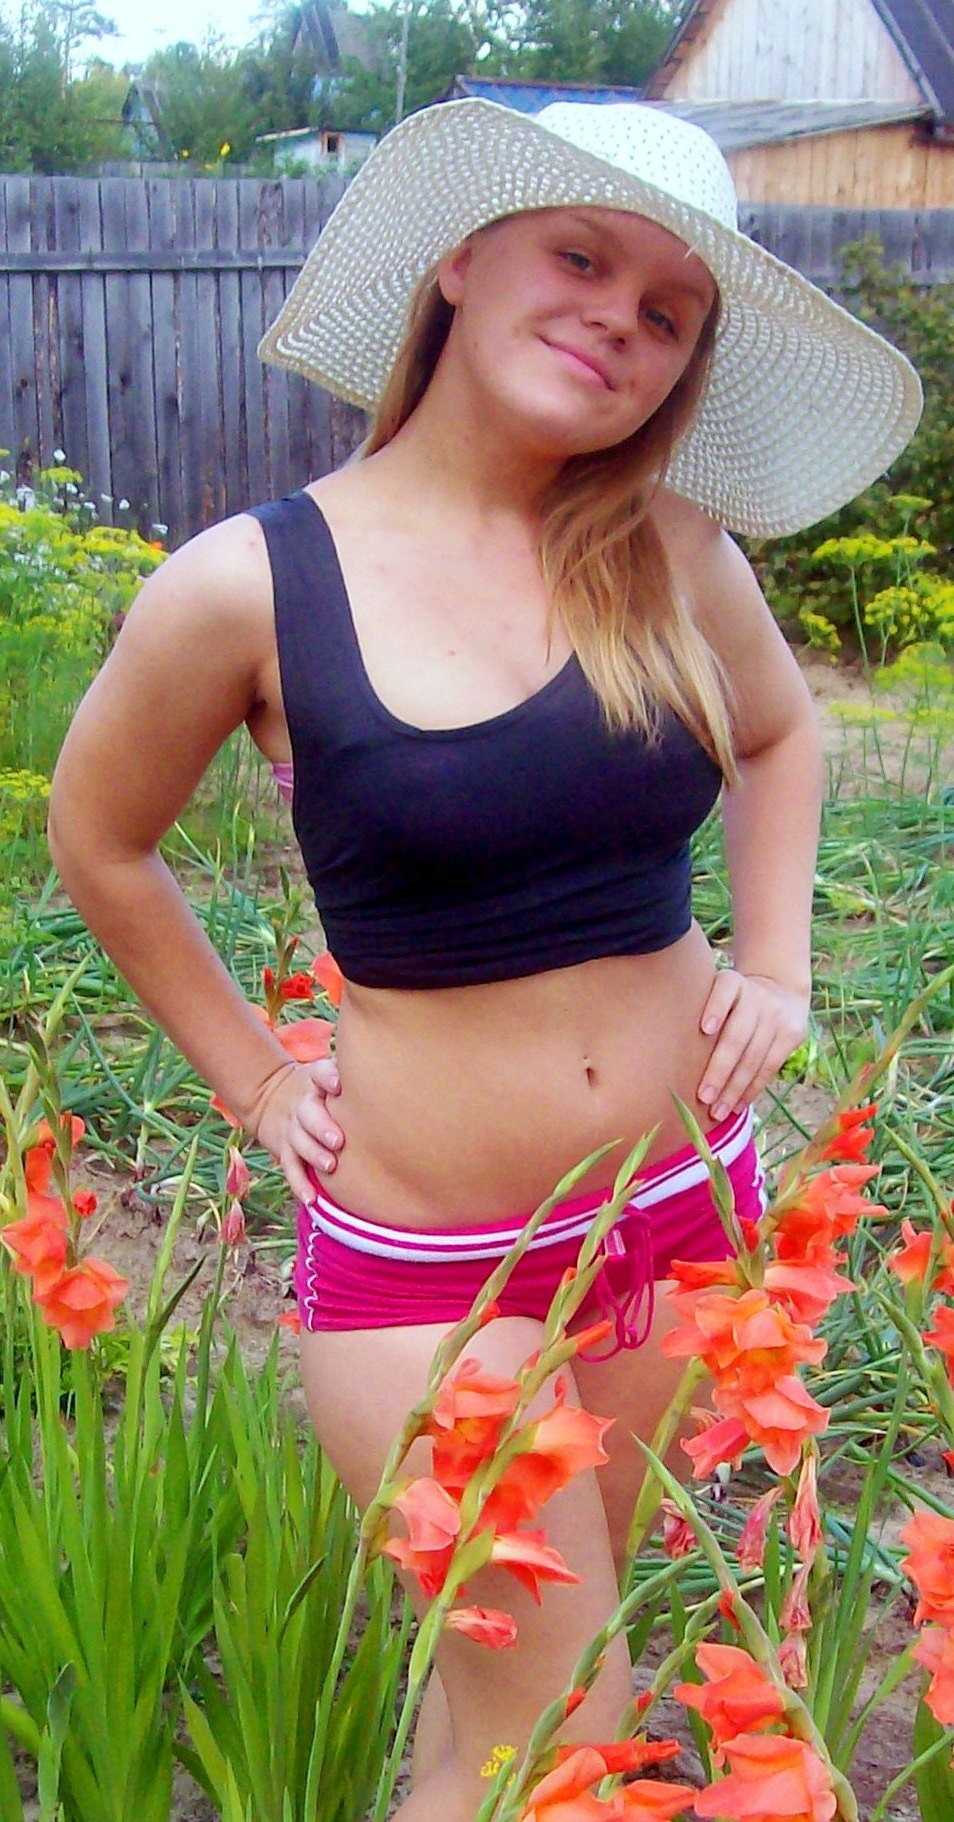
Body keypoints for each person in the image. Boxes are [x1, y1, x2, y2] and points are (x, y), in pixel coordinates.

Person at [49, 100, 920, 1821]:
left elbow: (778, 735)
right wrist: (254, 1077)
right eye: (578, 257)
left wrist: (777, 961)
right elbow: (100, 838)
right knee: (571, 1741)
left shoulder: (668, 545)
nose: (618, 318)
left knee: (501, 1728)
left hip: (680, 1212)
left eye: (667, 310)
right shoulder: (248, 586)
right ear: (458, 261)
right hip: (429, 1271)